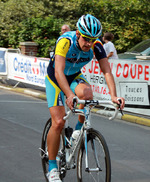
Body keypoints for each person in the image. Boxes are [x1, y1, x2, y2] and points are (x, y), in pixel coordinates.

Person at [45, 14, 125, 182]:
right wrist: (69, 94)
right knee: (58, 122)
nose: (89, 43)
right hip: (55, 78)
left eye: (92, 39)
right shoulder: (65, 41)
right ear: (78, 33)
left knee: (87, 94)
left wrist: (113, 96)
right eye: (86, 39)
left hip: (74, 76)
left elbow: (107, 71)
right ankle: (52, 167)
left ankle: (77, 131)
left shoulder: (96, 45)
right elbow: (59, 71)